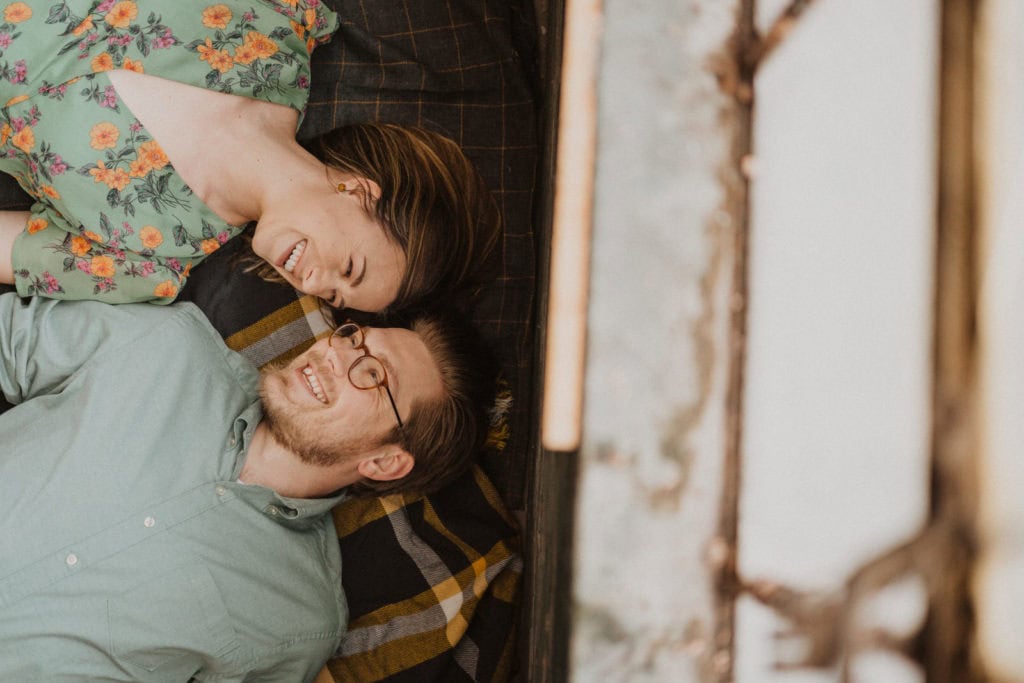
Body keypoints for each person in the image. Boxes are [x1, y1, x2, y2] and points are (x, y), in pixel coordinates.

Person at [0, 291, 495, 680]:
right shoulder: (169, 346)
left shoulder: (299, 621)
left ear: (386, 462)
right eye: (352, 337)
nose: (331, 354)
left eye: (371, 374)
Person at [0, 0, 500, 311]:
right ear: (361, 191)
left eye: (332, 297)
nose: (311, 283)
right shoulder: (276, 27)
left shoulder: (151, 264)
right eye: (347, 268)